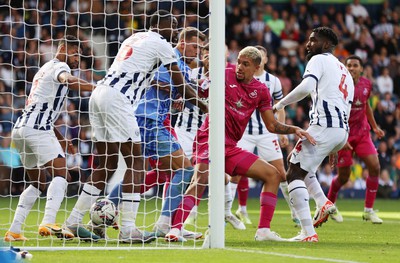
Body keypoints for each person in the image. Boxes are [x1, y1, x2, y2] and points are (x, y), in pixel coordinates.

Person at [63, 10, 207, 243]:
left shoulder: (134, 37)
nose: (174, 29)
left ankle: (73, 221)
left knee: (107, 164)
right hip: (120, 100)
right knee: (136, 162)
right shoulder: (162, 44)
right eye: (172, 24)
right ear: (160, 25)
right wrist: (207, 107)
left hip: (100, 94)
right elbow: (181, 85)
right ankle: (128, 229)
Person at [164, 46, 315, 242]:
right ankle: (175, 230)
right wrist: (182, 94)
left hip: (230, 147)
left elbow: (271, 124)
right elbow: (199, 90)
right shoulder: (224, 74)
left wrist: (293, 128)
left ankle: (263, 231)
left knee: (274, 175)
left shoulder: (261, 90)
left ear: (257, 67)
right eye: (239, 62)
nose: (240, 67)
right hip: (209, 139)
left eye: (246, 64)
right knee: (200, 180)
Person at [107, 27, 208, 240]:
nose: (197, 51)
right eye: (194, 46)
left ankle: (103, 211)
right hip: (149, 119)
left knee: (143, 171)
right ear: (181, 43)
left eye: (200, 48)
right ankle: (164, 223)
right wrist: (206, 106)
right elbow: (160, 80)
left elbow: (174, 88)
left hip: (147, 118)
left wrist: (173, 99)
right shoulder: (169, 59)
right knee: (184, 168)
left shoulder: (182, 67)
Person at [4, 35, 95, 242]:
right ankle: (48, 221)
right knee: (62, 175)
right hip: (37, 129)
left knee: (38, 183)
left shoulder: (43, 69)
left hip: (22, 130)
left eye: (78, 56)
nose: (76, 59)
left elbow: (41, 108)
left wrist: (61, 138)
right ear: (62, 49)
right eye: (74, 53)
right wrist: (96, 88)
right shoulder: (59, 67)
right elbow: (68, 80)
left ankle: (15, 230)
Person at [273, 27, 354, 242]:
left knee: (293, 174)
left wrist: (279, 104)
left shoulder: (319, 60)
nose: (308, 44)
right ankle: (323, 202)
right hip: (341, 130)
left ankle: (308, 233)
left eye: (313, 40)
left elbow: (307, 86)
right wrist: (335, 144)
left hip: (325, 126)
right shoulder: (344, 70)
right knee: (296, 161)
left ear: (326, 45)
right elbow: (346, 106)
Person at [230, 45, 298, 226]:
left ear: (263, 61)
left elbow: (279, 105)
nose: (241, 66)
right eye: (240, 62)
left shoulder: (272, 81)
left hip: (267, 133)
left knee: (281, 174)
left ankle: (295, 212)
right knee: (234, 174)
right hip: (244, 133)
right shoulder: (235, 74)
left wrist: (283, 131)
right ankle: (226, 212)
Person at [327, 55, 385, 223]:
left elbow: (366, 105)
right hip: (343, 135)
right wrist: (338, 137)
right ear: (344, 68)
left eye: (355, 65)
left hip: (362, 133)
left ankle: (368, 210)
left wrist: (374, 127)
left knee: (375, 166)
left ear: (361, 69)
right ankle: (329, 205)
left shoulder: (367, 84)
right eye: (349, 65)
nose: (351, 68)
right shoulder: (339, 85)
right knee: (344, 177)